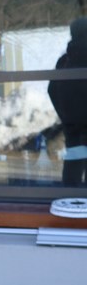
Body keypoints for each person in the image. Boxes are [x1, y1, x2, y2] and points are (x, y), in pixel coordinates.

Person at [48, 17, 87, 187]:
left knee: (72, 170)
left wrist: (65, 116)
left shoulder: (64, 61)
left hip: (72, 129)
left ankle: (70, 203)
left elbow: (52, 90)